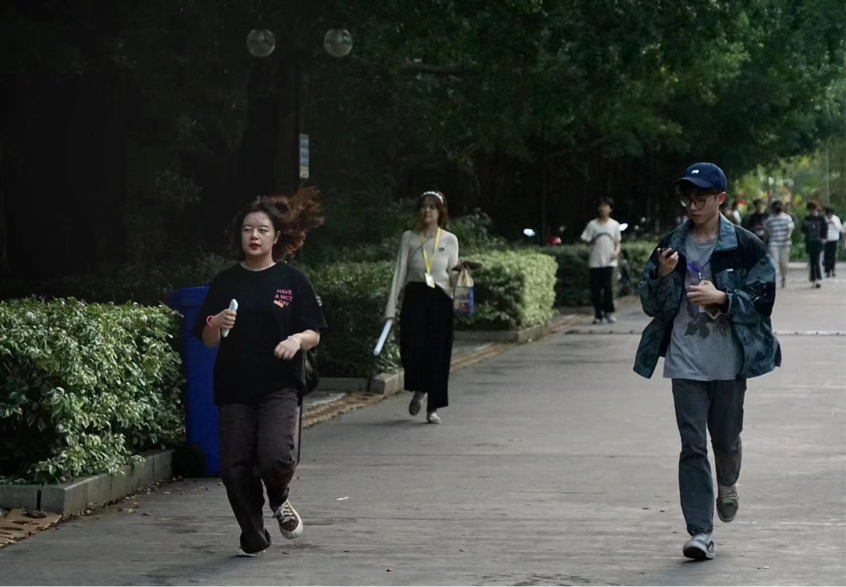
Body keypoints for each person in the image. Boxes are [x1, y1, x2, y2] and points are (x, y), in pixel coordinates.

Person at [634, 162, 780, 561]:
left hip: (730, 361)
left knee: (726, 440)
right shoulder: (670, 245)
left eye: (701, 198)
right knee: (693, 444)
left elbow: (764, 300)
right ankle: (700, 531)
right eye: (688, 198)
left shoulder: (745, 245)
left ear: (720, 199)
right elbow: (652, 305)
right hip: (685, 360)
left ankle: (727, 484)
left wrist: (723, 298)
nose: (693, 205)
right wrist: (663, 276)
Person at [193, 190, 327, 557]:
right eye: (247, 229)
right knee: (234, 468)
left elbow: (314, 332)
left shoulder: (292, 280)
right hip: (234, 384)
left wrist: (296, 340)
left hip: (279, 383)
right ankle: (253, 533)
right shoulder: (225, 282)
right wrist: (216, 323)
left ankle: (279, 498)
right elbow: (206, 339)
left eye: (262, 230)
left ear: (276, 236)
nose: (254, 236)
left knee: (275, 456)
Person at [386, 191, 465, 424]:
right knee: (412, 348)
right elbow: (399, 272)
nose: (427, 211)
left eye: (432, 207)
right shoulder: (409, 237)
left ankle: (433, 407)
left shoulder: (450, 240)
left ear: (440, 212)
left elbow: (451, 273)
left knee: (438, 354)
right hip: (415, 297)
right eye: (423, 207)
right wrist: (390, 308)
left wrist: (462, 273)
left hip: (440, 299)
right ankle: (420, 389)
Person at [580, 198, 622, 324]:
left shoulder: (614, 225)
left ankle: (609, 312)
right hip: (595, 261)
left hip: (609, 261)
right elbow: (585, 238)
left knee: (608, 287)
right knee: (596, 289)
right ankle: (598, 314)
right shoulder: (592, 225)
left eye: (606, 206)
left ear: (610, 209)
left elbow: (617, 242)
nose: (603, 208)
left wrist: (616, 252)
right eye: (601, 206)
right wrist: (590, 241)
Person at [766, 201, 795, 288]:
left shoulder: (787, 218)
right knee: (774, 262)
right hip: (774, 243)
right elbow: (768, 230)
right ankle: (774, 279)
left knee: (784, 263)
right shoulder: (770, 219)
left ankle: (783, 277)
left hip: (784, 243)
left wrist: (788, 235)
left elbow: (790, 227)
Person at [801, 202, 827, 288]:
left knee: (817, 261)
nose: (811, 211)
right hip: (810, 242)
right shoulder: (807, 218)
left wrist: (824, 239)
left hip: (818, 242)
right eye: (810, 210)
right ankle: (813, 279)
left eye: (813, 209)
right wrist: (805, 226)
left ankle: (819, 279)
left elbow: (825, 229)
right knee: (812, 262)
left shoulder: (821, 218)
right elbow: (803, 230)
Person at [823, 206, 842, 278]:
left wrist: (834, 223)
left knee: (833, 255)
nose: (829, 216)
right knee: (826, 255)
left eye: (830, 214)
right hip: (826, 239)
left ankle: (833, 269)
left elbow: (840, 228)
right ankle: (827, 271)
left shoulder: (836, 218)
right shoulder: (824, 218)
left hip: (834, 238)